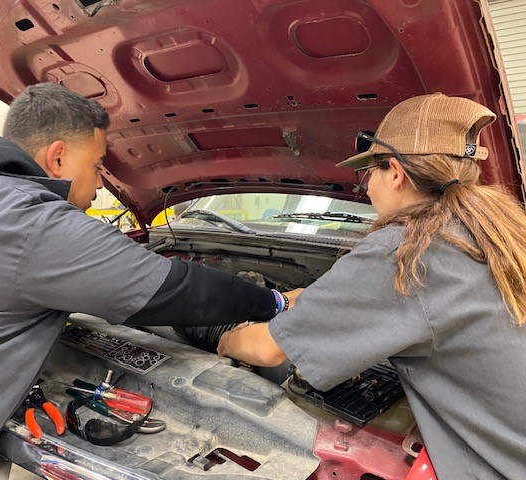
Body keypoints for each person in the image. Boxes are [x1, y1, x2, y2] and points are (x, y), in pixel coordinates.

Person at [0, 83, 297, 480]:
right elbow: (178, 289)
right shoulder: (36, 224)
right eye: (97, 165)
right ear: (58, 157)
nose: (101, 185)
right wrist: (275, 303)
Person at [217, 93, 526, 479]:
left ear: (395, 172)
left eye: (369, 173)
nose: (368, 187)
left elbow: (265, 350)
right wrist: (298, 300)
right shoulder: (493, 232)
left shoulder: (406, 251)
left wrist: (223, 340)